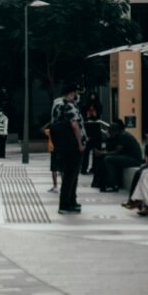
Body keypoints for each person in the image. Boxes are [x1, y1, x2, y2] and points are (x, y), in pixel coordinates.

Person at [49, 84, 86, 214]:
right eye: (75, 93)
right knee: (71, 176)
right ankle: (65, 204)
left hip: (62, 145)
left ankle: (71, 202)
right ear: (71, 93)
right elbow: (75, 125)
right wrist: (80, 143)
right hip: (72, 146)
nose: (77, 96)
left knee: (68, 174)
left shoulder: (57, 105)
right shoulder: (70, 106)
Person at [93, 119, 143, 191]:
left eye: (110, 131)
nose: (109, 132)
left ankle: (113, 185)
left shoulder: (122, 136)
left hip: (134, 159)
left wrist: (102, 153)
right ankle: (103, 182)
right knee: (106, 158)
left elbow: (116, 151)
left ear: (114, 131)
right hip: (130, 157)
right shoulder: (120, 135)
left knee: (108, 159)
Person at [79, 91, 103, 174]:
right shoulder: (85, 106)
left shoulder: (98, 106)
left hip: (95, 129)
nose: (92, 97)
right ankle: (84, 168)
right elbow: (82, 116)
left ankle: (95, 168)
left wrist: (95, 115)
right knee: (86, 151)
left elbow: (99, 115)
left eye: (94, 95)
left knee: (95, 150)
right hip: (88, 129)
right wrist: (87, 116)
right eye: (91, 95)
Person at [41, 121, 61, 192]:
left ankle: (55, 186)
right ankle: (64, 185)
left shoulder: (51, 130)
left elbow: (42, 129)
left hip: (53, 150)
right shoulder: (63, 130)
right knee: (62, 169)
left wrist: (49, 123)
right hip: (61, 149)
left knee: (54, 169)